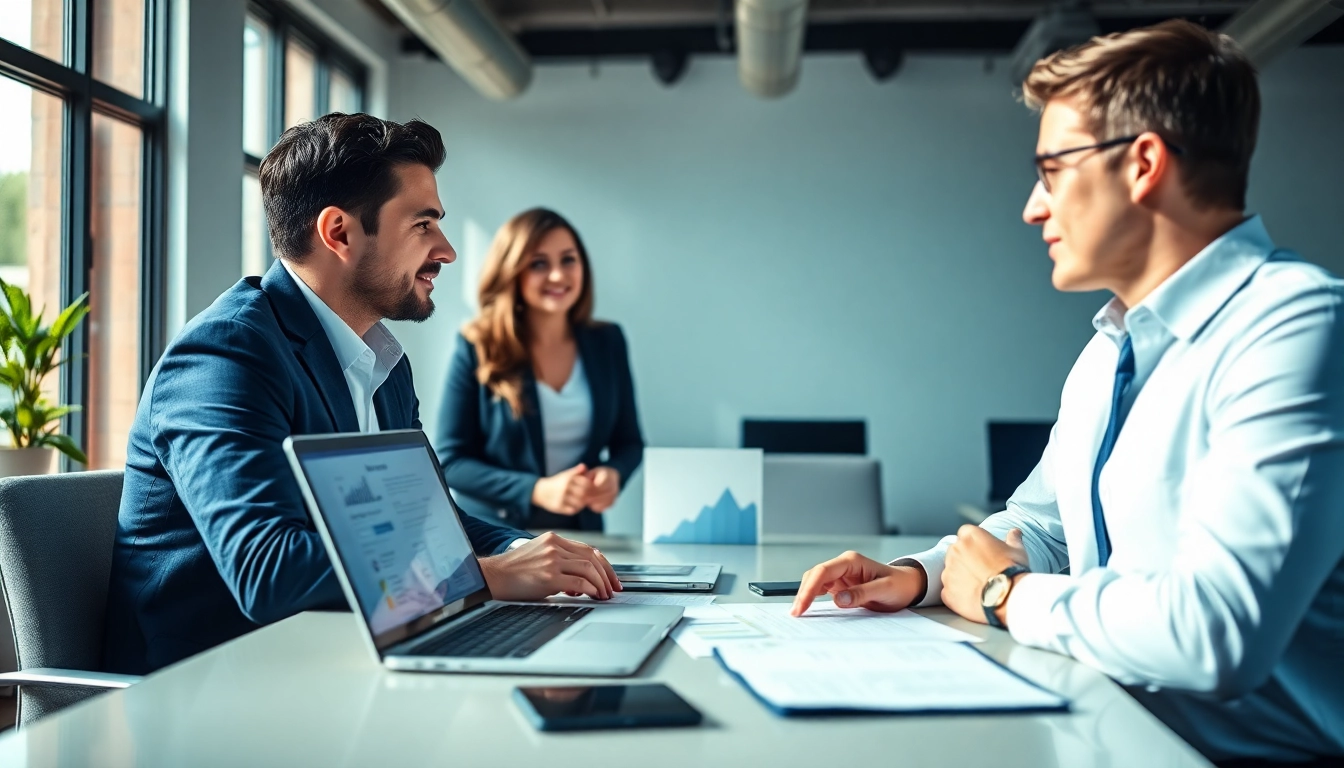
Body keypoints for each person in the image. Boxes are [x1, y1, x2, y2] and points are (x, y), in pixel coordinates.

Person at [792, 20, 1344, 765]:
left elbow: (1217, 635)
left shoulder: (1297, 326)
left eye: (1052, 169)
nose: (1032, 206)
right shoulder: (1107, 348)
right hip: (1105, 729)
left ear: (1144, 163)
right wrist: (922, 574)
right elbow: (1047, 528)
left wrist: (1004, 597)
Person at [104, 115, 620, 676]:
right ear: (340, 233)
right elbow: (267, 570)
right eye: (423, 225)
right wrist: (486, 575)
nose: (446, 250)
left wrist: (532, 551)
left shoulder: (382, 361)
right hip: (216, 689)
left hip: (339, 655)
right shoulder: (226, 354)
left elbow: (432, 521)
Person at [435, 208, 643, 532]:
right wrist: (536, 490)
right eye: (539, 264)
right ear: (512, 272)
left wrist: (614, 473)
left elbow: (629, 442)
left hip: (583, 536)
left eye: (568, 260)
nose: (558, 275)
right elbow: (450, 462)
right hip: (498, 538)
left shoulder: (608, 341)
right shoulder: (477, 346)